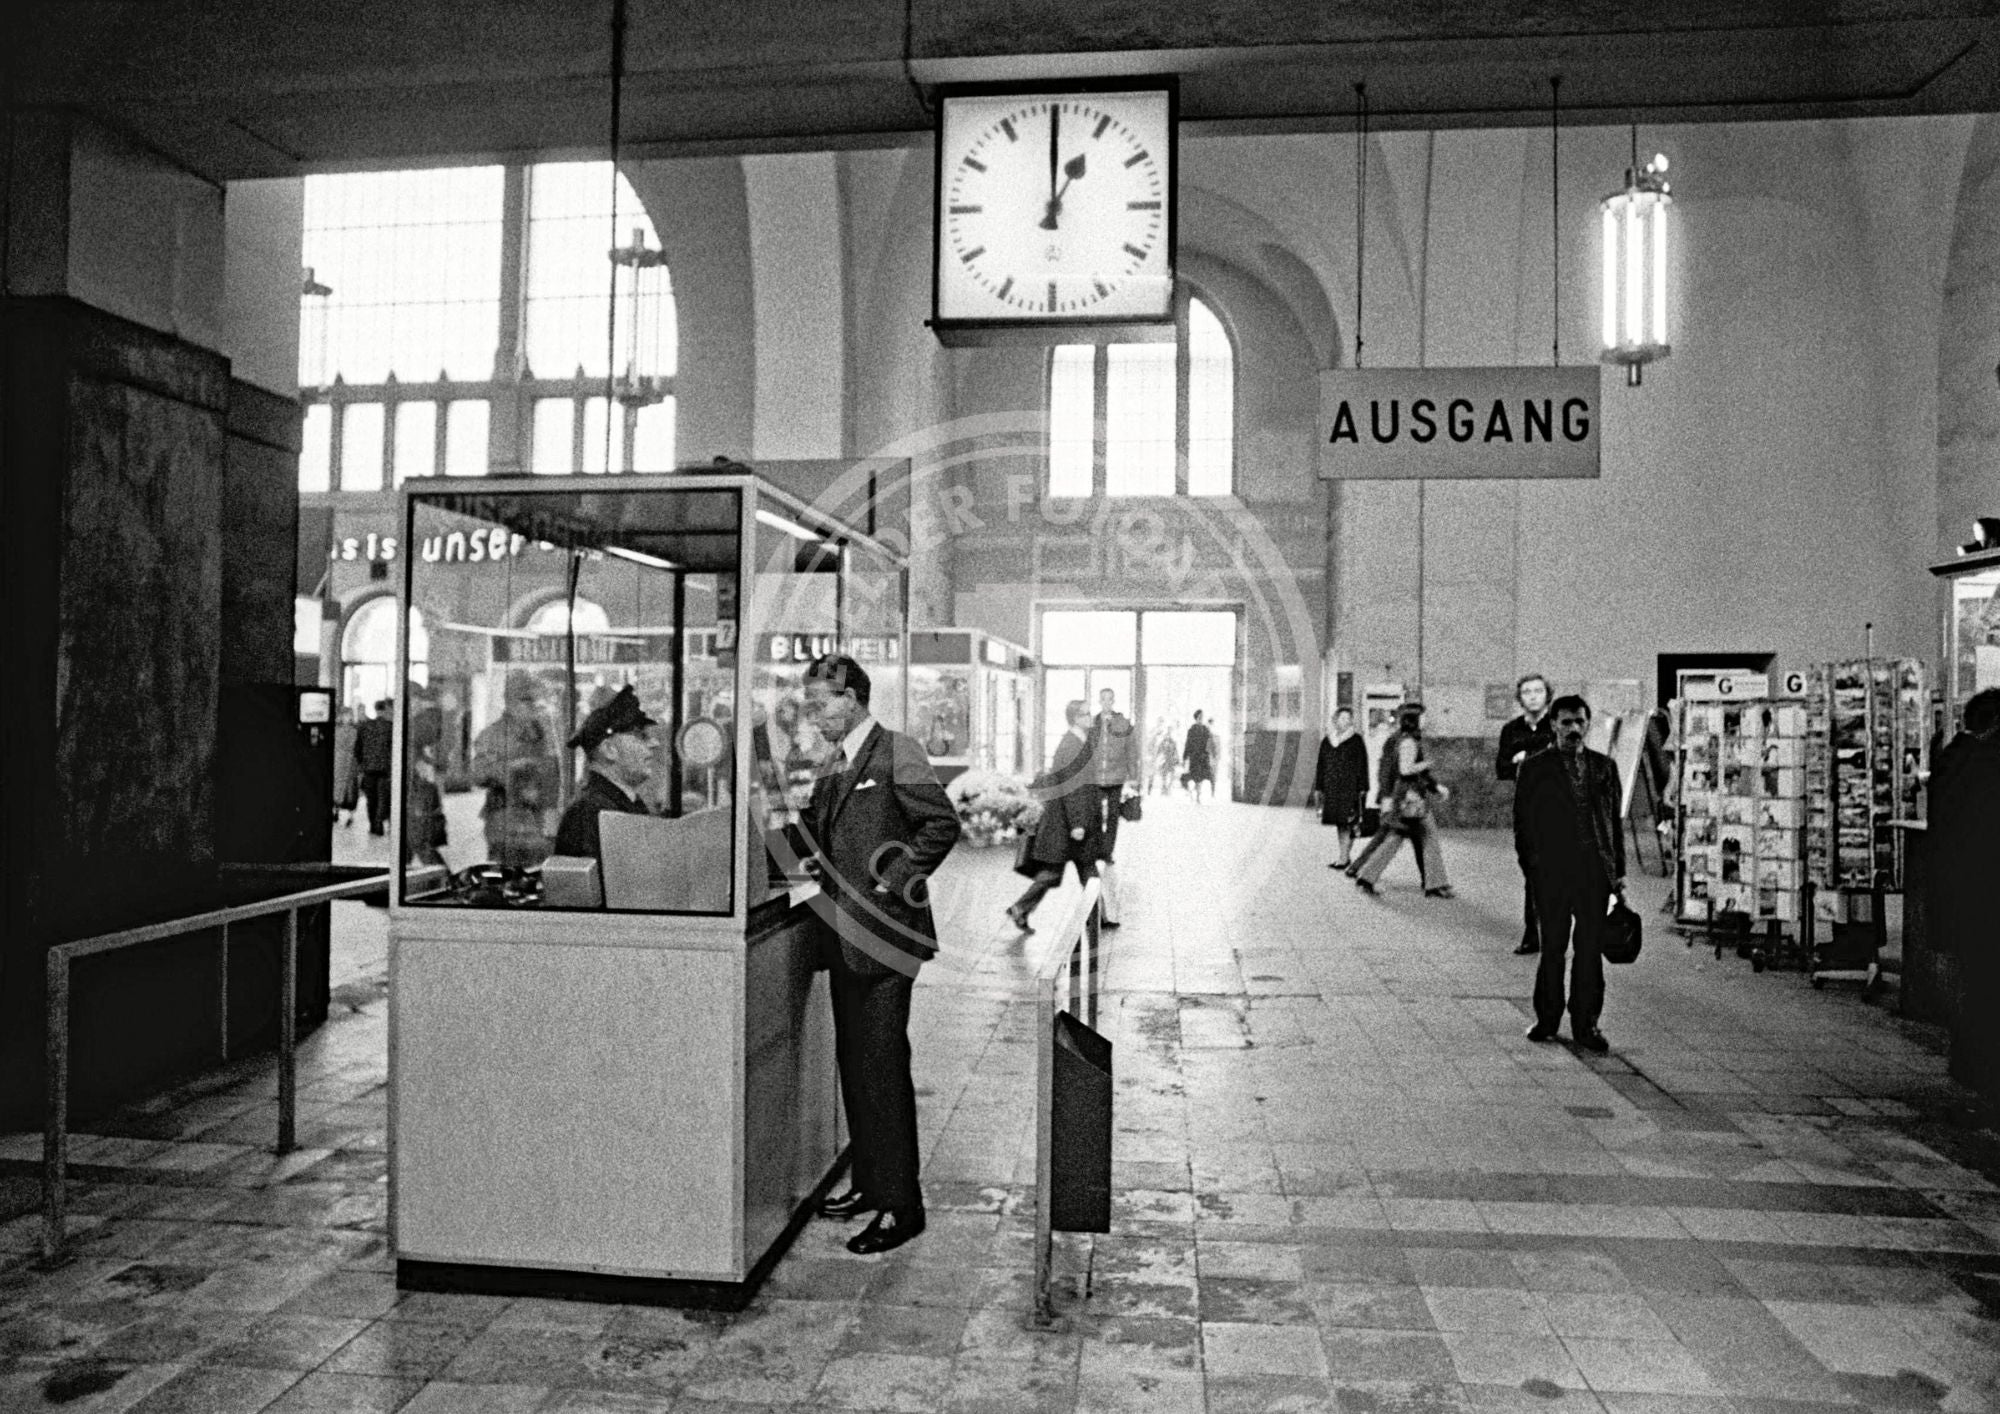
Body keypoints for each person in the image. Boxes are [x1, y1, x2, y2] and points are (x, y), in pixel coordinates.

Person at [799, 653, 962, 1255]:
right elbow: (824, 833)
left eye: (821, 704)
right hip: (844, 939)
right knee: (856, 1066)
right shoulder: (833, 763)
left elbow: (939, 825)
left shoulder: (899, 750)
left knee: (883, 1071)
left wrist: (888, 881)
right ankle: (869, 1183)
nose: (814, 717)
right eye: (810, 706)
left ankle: (902, 1206)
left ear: (852, 698)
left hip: (888, 936)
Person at [1515, 694, 1625, 1053]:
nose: (1574, 728)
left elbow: (1613, 824)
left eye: (1579, 722)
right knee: (1553, 949)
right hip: (1551, 874)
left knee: (1589, 950)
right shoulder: (1535, 768)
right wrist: (1532, 868)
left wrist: (1618, 872)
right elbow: (1522, 825)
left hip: (1594, 873)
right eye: (1566, 722)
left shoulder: (1604, 767)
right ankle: (1547, 1019)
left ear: (1587, 725)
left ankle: (1587, 1024)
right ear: (1553, 726)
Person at [1008, 699, 1104, 933]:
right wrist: (1077, 824)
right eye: (1086, 714)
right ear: (1075, 718)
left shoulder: (1080, 741)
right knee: (1059, 873)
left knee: (1083, 871)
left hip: (1071, 822)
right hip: (1068, 824)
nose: (1090, 717)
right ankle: (1020, 908)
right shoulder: (1071, 745)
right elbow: (1071, 788)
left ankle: (1099, 916)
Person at [1351, 701, 1453, 898]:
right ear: (1414, 720)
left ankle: (1366, 875)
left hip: (1406, 795)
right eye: (1423, 716)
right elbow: (1403, 770)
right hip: (1409, 796)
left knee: (1396, 837)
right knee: (1423, 835)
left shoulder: (1407, 739)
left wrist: (1433, 785)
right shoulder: (1407, 742)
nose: (1427, 719)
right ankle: (1434, 884)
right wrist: (1424, 765)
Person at [552, 685, 659, 859]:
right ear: (609, 749)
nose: (654, 743)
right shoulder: (590, 812)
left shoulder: (622, 805)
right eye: (640, 736)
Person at [470, 674, 562, 869]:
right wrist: (514, 768)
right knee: (506, 875)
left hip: (538, 818)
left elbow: (554, 773)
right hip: (505, 818)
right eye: (525, 700)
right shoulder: (493, 735)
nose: (531, 706)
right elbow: (478, 774)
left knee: (538, 873)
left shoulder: (543, 733)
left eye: (534, 700)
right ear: (509, 702)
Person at [1496, 673, 1556, 955]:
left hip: (1557, 809)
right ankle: (1534, 933)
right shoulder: (1511, 730)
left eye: (1538, 691)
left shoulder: (1558, 726)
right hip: (1526, 810)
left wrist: (1527, 757)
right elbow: (1502, 768)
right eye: (1527, 692)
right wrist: (1518, 760)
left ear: (1547, 695)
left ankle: (1546, 932)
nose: (1533, 696)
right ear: (1520, 698)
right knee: (1531, 872)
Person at [1312, 707, 1369, 869]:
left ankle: (1345, 857)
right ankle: (1344, 856)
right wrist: (1319, 787)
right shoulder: (1327, 741)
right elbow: (1321, 765)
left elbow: (1363, 764)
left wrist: (1363, 786)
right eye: (1342, 718)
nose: (1345, 721)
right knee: (1340, 823)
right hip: (1332, 788)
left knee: (1349, 822)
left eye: (1348, 719)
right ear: (1335, 720)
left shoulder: (1356, 740)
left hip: (1350, 787)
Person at [353, 698, 395, 836]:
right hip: (385, 769)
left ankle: (373, 825)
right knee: (384, 798)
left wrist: (362, 763)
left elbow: (357, 748)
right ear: (386, 710)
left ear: (375, 709)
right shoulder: (391, 727)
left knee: (371, 799)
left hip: (369, 768)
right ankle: (379, 822)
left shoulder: (365, 726)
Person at [331, 706, 360, 828]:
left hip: (349, 762)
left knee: (350, 788)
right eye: (345, 715)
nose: (347, 718)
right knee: (337, 787)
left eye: (349, 715)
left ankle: (350, 814)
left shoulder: (355, 731)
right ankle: (335, 810)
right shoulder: (336, 730)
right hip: (338, 762)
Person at [1182, 710, 1215, 801]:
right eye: (1200, 716)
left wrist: (1211, 754)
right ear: (1196, 717)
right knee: (1196, 776)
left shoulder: (1205, 729)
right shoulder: (1192, 730)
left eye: (1202, 716)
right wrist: (1185, 756)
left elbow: (1209, 742)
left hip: (1203, 756)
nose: (1201, 718)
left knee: (1203, 775)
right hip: (1194, 756)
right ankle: (1196, 793)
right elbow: (1188, 743)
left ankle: (1197, 793)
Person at [1151, 719, 1179, 796]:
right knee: (1164, 774)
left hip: (1170, 760)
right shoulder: (1163, 740)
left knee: (1172, 774)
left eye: (1170, 730)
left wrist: (1176, 758)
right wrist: (1157, 757)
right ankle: (1164, 788)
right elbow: (1159, 750)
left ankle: (1168, 788)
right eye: (1168, 730)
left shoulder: (1173, 740)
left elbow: (1175, 750)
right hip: (1165, 759)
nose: (1169, 732)